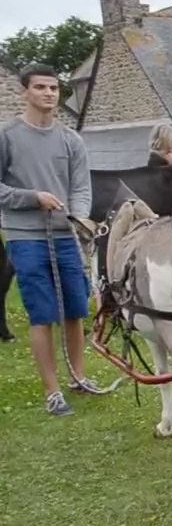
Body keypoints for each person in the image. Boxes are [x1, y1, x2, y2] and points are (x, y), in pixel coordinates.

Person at [0, 63, 107, 416]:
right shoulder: (7, 136)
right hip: (26, 237)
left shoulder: (70, 140)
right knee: (42, 314)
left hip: (65, 236)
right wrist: (32, 198)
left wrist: (78, 217)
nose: (48, 93)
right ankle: (52, 391)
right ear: (25, 91)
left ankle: (78, 377)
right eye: (41, 87)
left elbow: (80, 186)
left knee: (76, 309)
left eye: (54, 88)